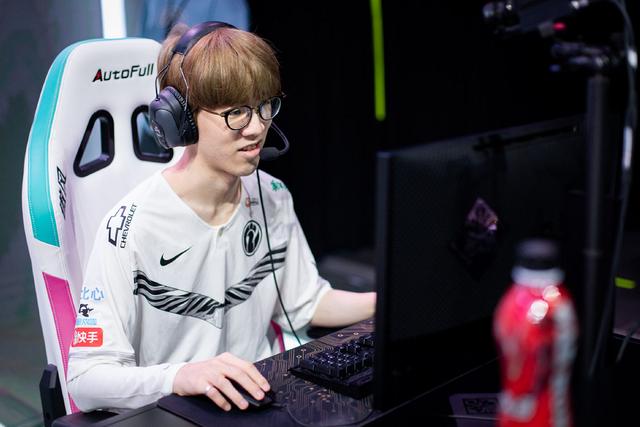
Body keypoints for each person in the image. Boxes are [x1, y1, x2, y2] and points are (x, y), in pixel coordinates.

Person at [66, 21, 375, 413]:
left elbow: (306, 303)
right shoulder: (129, 227)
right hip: (179, 412)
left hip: (262, 400)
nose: (258, 127)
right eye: (236, 113)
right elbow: (86, 380)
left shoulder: (272, 194)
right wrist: (180, 376)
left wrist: (389, 301)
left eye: (264, 106)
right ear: (180, 120)